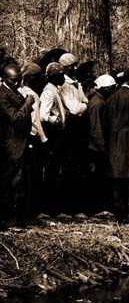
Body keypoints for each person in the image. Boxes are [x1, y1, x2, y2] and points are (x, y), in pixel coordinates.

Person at [0, 64, 34, 229]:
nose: (18, 83)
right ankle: (9, 221)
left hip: (21, 144)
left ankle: (20, 219)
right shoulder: (2, 95)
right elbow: (15, 118)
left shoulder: (13, 91)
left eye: (19, 79)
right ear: (4, 79)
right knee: (11, 184)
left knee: (20, 183)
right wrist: (28, 103)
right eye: (14, 80)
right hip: (11, 145)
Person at [106, 67, 129, 222]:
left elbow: (107, 122)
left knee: (117, 178)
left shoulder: (111, 98)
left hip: (114, 141)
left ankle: (119, 214)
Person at [58, 52, 89, 214]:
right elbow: (76, 108)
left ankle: (78, 206)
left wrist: (82, 105)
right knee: (70, 168)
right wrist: (83, 106)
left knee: (79, 167)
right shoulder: (63, 84)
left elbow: (84, 101)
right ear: (64, 68)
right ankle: (69, 207)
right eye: (72, 66)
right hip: (70, 129)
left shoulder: (76, 83)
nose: (75, 68)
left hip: (79, 128)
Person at [19, 62, 48, 224]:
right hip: (33, 138)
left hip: (24, 138)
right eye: (39, 77)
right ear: (31, 78)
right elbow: (35, 121)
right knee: (33, 176)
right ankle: (32, 212)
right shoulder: (33, 95)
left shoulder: (20, 91)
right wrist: (44, 140)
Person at [39, 62, 67, 216]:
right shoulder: (49, 92)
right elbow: (43, 114)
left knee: (55, 171)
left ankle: (53, 207)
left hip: (57, 135)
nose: (63, 77)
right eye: (61, 74)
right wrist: (55, 120)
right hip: (53, 134)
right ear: (55, 76)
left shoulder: (54, 89)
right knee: (52, 171)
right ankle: (50, 208)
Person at [86, 74, 116, 214]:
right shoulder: (97, 103)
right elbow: (96, 129)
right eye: (110, 88)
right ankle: (96, 208)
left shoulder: (102, 101)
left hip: (99, 145)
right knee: (98, 178)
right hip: (96, 147)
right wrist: (103, 147)